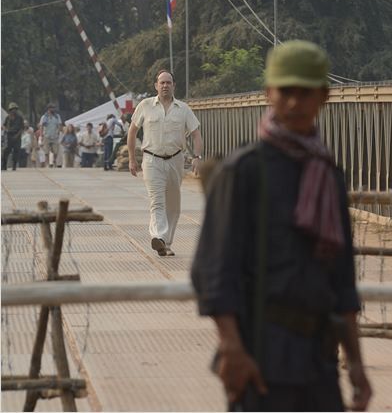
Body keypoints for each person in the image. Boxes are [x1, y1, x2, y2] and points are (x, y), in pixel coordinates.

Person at [190, 40, 372, 412]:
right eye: (286, 91)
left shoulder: (327, 175)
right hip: (260, 357)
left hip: (318, 363)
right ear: (269, 94)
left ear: (324, 97)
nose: (294, 102)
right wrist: (233, 349)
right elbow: (212, 271)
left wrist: (355, 363)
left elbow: (342, 281)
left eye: (305, 92)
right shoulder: (242, 172)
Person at [128, 69, 202, 257]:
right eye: (162, 83)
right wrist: (131, 158)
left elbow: (196, 134)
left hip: (175, 160)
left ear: (174, 86)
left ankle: (166, 243)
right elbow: (132, 132)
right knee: (157, 201)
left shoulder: (183, 109)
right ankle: (158, 236)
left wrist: (197, 157)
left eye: (168, 82)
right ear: (156, 86)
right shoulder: (145, 106)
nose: (165, 86)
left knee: (173, 204)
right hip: (152, 160)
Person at [38, 103, 63, 168]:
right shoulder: (44, 117)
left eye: (54, 108)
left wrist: (59, 131)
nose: (53, 109)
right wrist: (41, 135)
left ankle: (54, 161)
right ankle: (48, 164)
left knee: (55, 151)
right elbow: (41, 126)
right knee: (46, 151)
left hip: (54, 136)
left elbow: (60, 124)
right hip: (46, 136)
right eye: (52, 108)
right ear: (48, 109)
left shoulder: (57, 116)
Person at [2, 102, 24, 171]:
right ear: (10, 110)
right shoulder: (7, 118)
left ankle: (14, 166)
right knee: (6, 151)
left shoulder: (20, 117)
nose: (14, 110)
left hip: (17, 136)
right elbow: (4, 126)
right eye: (12, 109)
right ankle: (4, 165)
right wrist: (6, 130)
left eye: (15, 109)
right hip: (9, 136)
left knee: (16, 151)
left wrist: (17, 135)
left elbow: (21, 128)